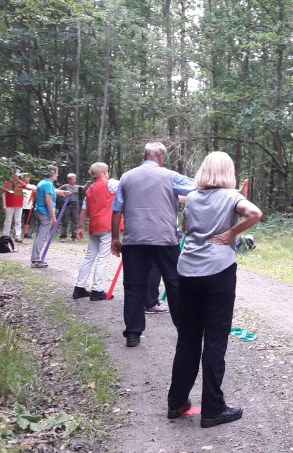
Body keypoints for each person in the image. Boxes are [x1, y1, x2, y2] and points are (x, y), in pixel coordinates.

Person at [167, 151, 262, 428]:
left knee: (188, 338)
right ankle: (212, 409)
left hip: (187, 272)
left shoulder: (193, 197)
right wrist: (232, 233)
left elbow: (186, 227)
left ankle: (176, 402)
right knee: (215, 339)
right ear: (227, 172)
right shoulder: (232, 197)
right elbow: (254, 213)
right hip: (218, 272)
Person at [110, 141, 196, 348]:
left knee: (133, 286)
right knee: (175, 283)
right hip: (164, 239)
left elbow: (117, 210)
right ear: (162, 158)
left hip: (134, 239)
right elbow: (198, 187)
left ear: (143, 155)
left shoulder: (126, 177)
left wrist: (115, 238)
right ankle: (184, 329)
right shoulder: (171, 176)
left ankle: (133, 333)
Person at [73, 163, 120, 301]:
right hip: (107, 225)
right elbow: (127, 186)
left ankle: (79, 288)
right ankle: (97, 290)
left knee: (89, 257)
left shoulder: (89, 189)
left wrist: (80, 227)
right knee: (103, 259)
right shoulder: (111, 184)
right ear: (104, 172)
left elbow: (84, 209)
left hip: (94, 226)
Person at [31, 166, 70, 268]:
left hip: (39, 211)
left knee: (39, 235)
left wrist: (62, 193)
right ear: (53, 174)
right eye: (56, 173)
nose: (57, 175)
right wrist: (54, 217)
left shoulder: (42, 182)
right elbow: (48, 201)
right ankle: (35, 260)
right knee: (42, 236)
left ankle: (35, 258)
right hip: (45, 213)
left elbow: (52, 191)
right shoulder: (48, 184)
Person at [2, 171, 27, 242]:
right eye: (17, 175)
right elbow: (3, 193)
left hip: (19, 204)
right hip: (9, 204)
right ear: (13, 175)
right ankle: (5, 235)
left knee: (18, 220)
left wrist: (35, 189)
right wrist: (4, 204)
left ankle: (17, 236)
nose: (18, 176)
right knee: (8, 220)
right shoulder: (7, 182)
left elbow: (27, 187)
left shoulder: (20, 182)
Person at [58, 173, 84, 241]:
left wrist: (87, 184)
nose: (74, 180)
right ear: (69, 180)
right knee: (65, 220)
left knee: (74, 220)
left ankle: (74, 236)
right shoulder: (65, 186)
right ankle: (63, 236)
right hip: (67, 205)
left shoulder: (77, 186)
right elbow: (57, 191)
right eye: (73, 179)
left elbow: (84, 188)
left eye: (75, 179)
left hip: (75, 205)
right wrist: (63, 195)